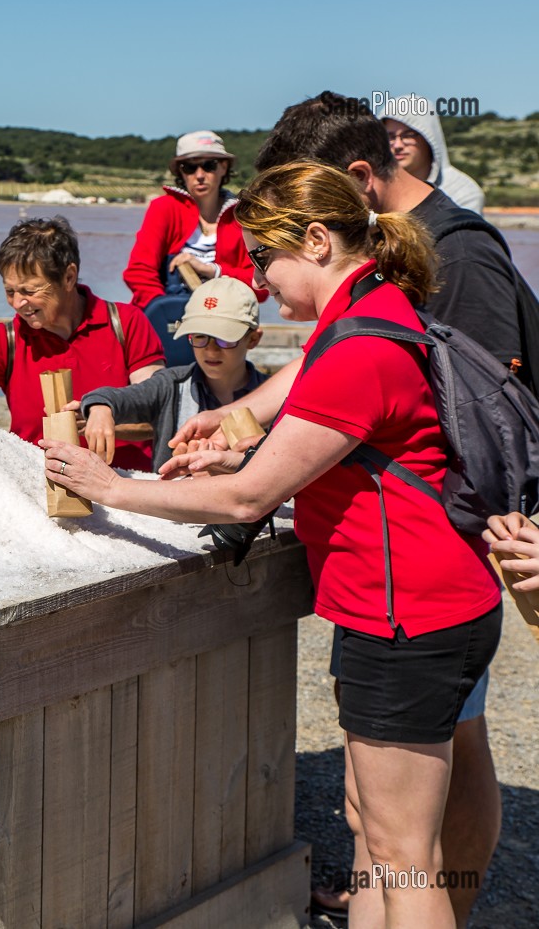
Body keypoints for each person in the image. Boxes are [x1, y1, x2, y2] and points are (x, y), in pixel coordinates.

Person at [46, 160, 502, 929]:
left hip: (408, 616)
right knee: (373, 825)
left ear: (317, 241)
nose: (257, 275)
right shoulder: (367, 309)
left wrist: (112, 485)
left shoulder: (358, 346)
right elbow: (312, 448)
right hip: (411, 607)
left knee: (402, 852)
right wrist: (235, 447)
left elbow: (247, 498)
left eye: (264, 257)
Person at [173, 92, 529, 923]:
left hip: (431, 574)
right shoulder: (382, 277)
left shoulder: (461, 255)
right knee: (384, 826)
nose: (261, 277)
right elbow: (341, 360)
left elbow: (442, 401)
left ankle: (452, 906)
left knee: (422, 818)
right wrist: (249, 415)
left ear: (356, 185)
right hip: (410, 580)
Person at [0, 216, 165, 470]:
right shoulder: (6, 339)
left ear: (69, 277)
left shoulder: (126, 323)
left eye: (29, 291)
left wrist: (105, 418)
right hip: (36, 489)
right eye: (10, 291)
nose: (17, 304)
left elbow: (159, 411)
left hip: (124, 489)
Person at [79, 276, 266, 469]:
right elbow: (121, 397)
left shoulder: (275, 396)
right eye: (200, 336)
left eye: (224, 339)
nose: (211, 350)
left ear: (253, 339)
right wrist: (101, 406)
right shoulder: (170, 384)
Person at [123, 130, 263, 366]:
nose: (200, 175)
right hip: (166, 327)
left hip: (224, 333)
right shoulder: (164, 209)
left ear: (224, 168)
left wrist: (212, 271)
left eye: (209, 165)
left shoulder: (241, 218)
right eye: (189, 167)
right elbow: (139, 272)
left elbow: (260, 284)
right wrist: (167, 313)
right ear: (180, 171)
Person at [383, 96, 485, 214]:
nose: (398, 145)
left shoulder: (463, 192)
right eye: (390, 136)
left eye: (408, 135)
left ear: (428, 137)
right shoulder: (374, 189)